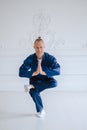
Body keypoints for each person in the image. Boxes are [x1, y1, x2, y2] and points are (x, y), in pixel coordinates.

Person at [19, 37, 60, 118]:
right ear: (34, 47)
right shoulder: (30, 58)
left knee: (55, 83)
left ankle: (32, 87)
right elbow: (21, 72)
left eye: (41, 47)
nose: (39, 50)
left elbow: (58, 70)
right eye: (37, 47)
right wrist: (34, 73)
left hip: (46, 79)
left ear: (44, 47)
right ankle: (41, 111)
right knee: (33, 92)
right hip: (35, 79)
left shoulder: (50, 58)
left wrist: (44, 72)